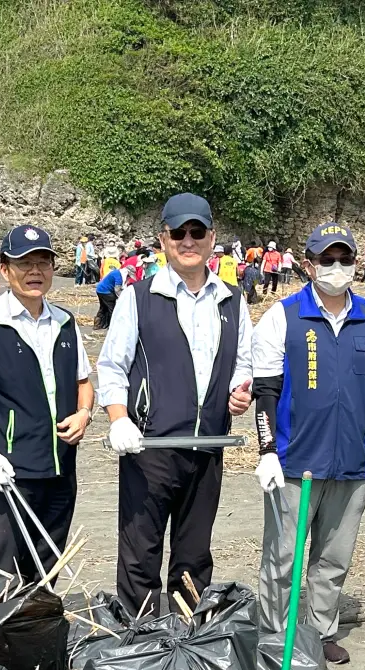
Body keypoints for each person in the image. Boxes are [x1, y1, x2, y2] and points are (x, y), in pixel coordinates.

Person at [98, 193, 254, 616]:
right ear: (163, 239)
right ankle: (140, 644)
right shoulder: (139, 297)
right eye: (178, 232)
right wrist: (118, 419)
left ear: (212, 239)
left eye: (197, 231)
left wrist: (240, 392)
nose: (189, 240)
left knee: (193, 556)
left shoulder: (233, 301)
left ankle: (187, 643)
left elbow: (243, 364)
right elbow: (112, 365)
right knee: (139, 555)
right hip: (150, 448)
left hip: (208, 448)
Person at [251, 223, 365, 664]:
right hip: (295, 463)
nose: (336, 267)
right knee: (282, 560)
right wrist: (266, 449)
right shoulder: (283, 315)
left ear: (356, 264)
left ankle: (321, 630)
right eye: (327, 259)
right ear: (308, 265)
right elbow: (266, 389)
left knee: (333, 560)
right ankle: (275, 636)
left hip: (350, 465)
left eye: (345, 258)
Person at [0, 225, 95, 581]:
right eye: (25, 263)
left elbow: (84, 382)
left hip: (61, 467)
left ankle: (37, 634)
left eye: (43, 263)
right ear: (4, 269)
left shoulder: (65, 322)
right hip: (11, 471)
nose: (35, 272)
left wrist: (84, 413)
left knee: (48, 569)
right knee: (2, 569)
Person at [94, 264, 125, 329]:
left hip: (100, 289)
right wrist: (122, 298)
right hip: (106, 292)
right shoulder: (119, 277)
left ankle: (98, 324)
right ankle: (112, 326)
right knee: (112, 309)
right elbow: (117, 290)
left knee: (103, 308)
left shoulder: (116, 272)